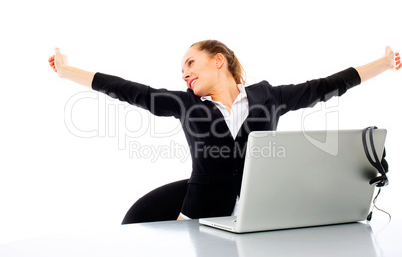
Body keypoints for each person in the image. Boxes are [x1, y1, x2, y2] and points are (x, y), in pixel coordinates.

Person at [48, 40, 401, 223]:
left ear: (218, 60)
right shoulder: (185, 104)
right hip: (197, 219)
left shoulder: (270, 97)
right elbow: (126, 88)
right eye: (182, 70)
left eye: (190, 63)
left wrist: (385, 64)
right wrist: (67, 71)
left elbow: (327, 85)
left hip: (257, 216)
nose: (184, 73)